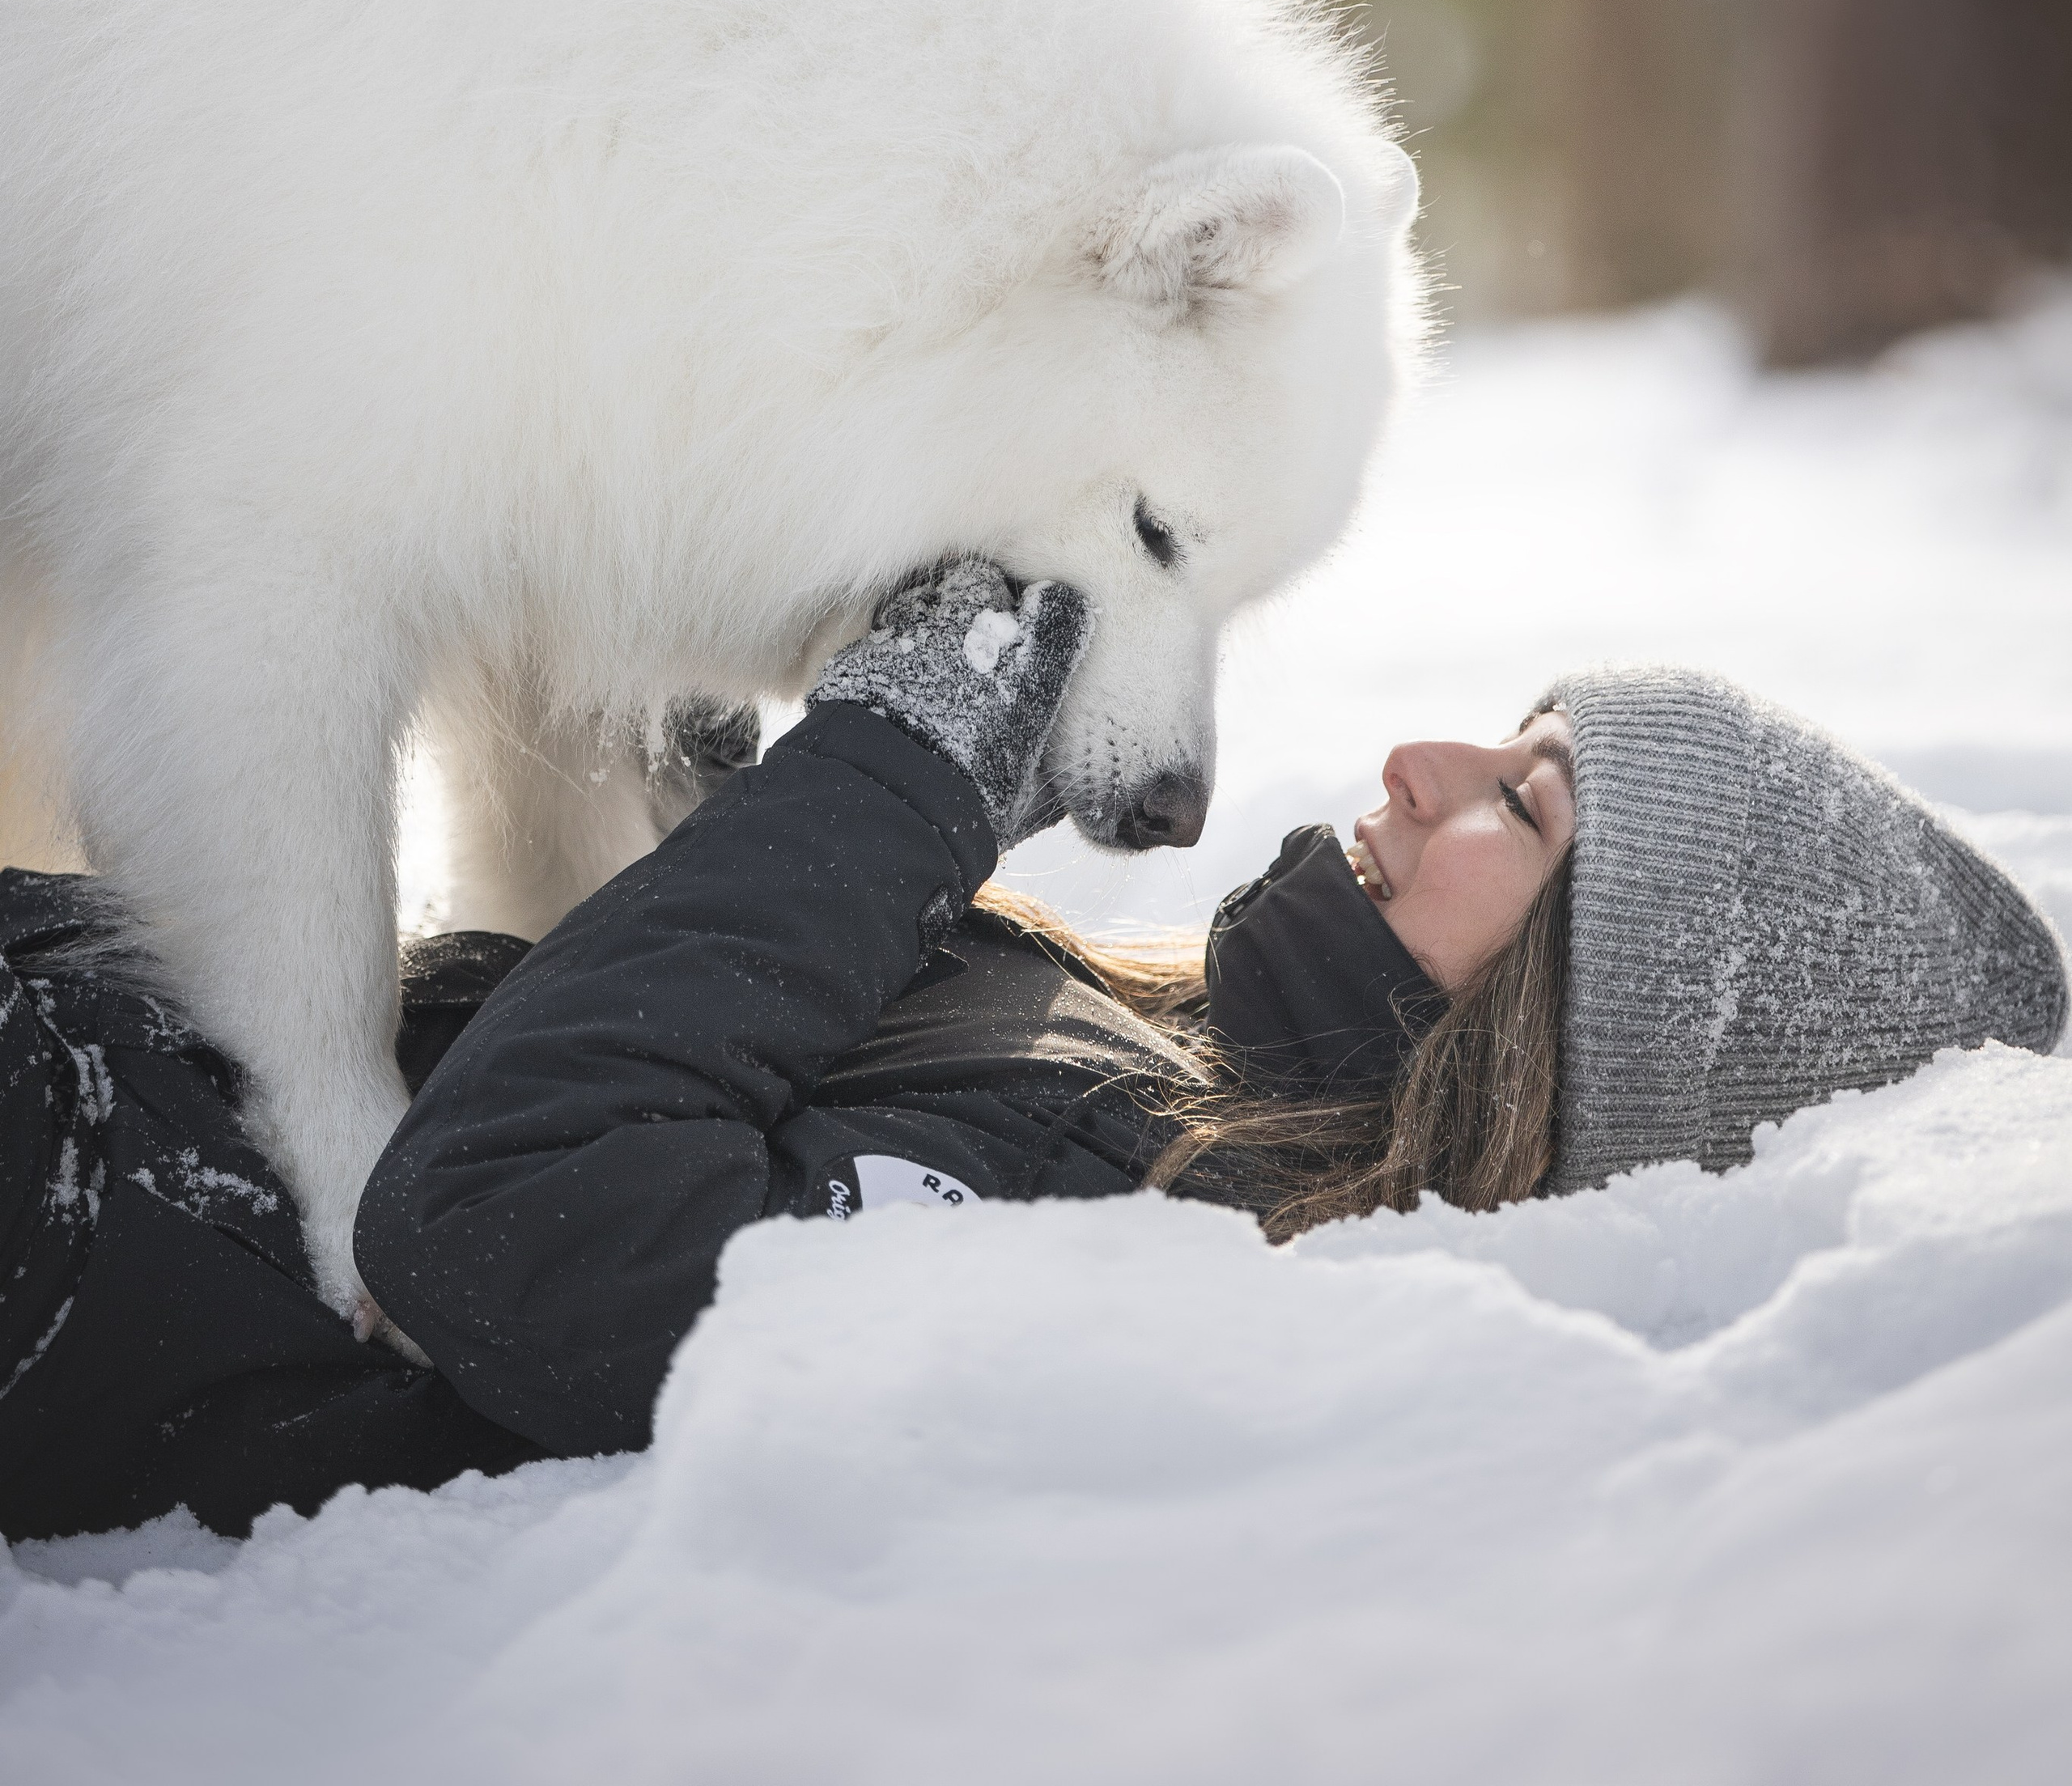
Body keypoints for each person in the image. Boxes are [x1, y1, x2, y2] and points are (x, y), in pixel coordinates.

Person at [1, 565, 2061, 1543]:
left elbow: (520, 1225)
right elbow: (668, 1008)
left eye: (1514, 811)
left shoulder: (1154, 1229)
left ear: (1582, 1037)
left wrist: (902, 770)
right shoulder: (1141, 1045)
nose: (1417, 766)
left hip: (83, 1240)